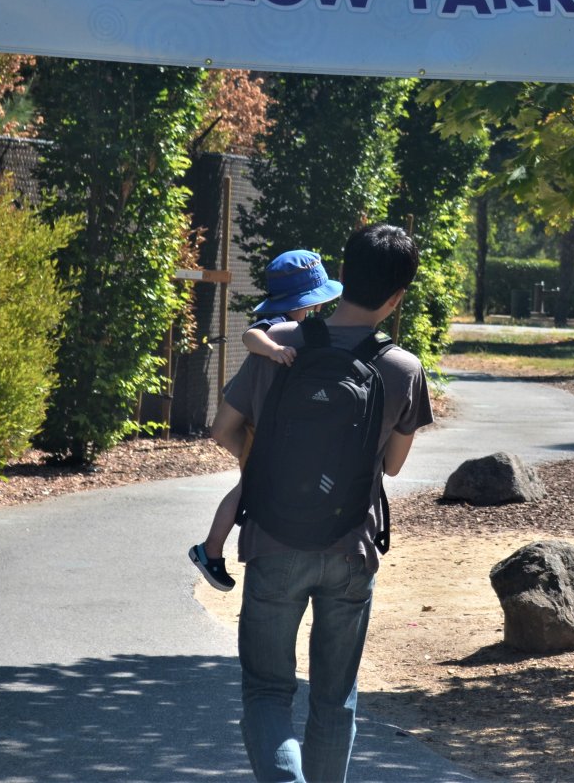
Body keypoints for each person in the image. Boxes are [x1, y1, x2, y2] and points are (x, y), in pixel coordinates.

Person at [208, 223, 431, 783]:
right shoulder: (403, 368)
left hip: (274, 542)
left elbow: (222, 429)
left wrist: (262, 469)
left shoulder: (279, 344)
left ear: (342, 277)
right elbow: (393, 465)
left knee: (266, 691)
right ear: (397, 296)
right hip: (351, 548)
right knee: (335, 699)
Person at [189, 249, 343, 592]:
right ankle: (209, 549)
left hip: (260, 432)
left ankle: (211, 549)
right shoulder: (275, 325)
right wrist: (273, 349)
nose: (317, 310)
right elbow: (250, 336)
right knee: (248, 488)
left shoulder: (296, 326)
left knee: (250, 487)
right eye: (313, 304)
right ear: (297, 300)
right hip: (262, 432)